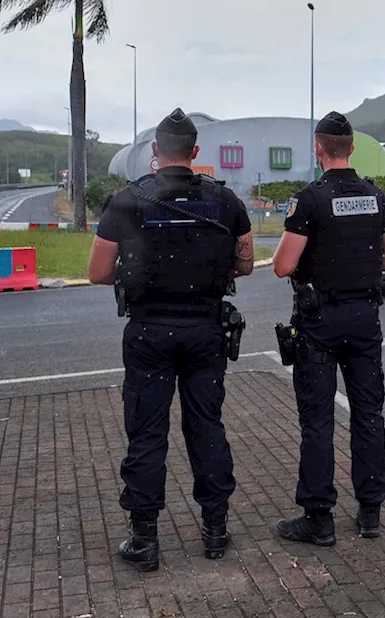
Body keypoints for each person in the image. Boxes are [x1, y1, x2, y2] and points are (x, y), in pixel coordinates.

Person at [87, 108, 256, 572]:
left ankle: (145, 541)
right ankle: (215, 531)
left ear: (155, 153)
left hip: (148, 333)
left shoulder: (126, 201)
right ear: (195, 153)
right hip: (206, 331)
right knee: (207, 428)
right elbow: (245, 264)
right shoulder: (225, 201)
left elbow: (98, 272)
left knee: (146, 434)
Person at [272, 111, 385, 546]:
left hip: (320, 324)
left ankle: (319, 518)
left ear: (318, 150)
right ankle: (370, 514)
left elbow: (283, 266)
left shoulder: (308, 200)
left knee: (318, 421)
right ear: (352, 149)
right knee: (368, 415)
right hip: (366, 319)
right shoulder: (378, 198)